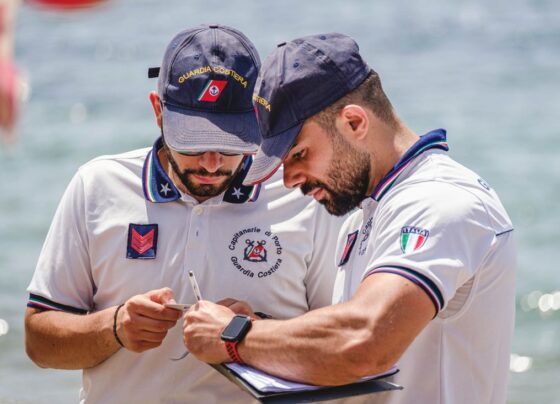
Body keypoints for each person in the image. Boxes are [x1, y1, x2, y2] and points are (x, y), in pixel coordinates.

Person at [183, 33, 517, 404]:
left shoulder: (440, 201)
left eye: (299, 154)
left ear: (355, 123)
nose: (289, 180)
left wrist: (235, 337)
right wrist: (265, 333)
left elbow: (364, 342)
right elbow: (349, 344)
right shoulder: (367, 212)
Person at [24, 25, 347, 404]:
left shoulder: (303, 195)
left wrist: (256, 334)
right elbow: (39, 343)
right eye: (193, 143)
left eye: (230, 145)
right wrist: (114, 327)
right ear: (158, 111)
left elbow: (342, 345)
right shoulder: (96, 185)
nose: (211, 163)